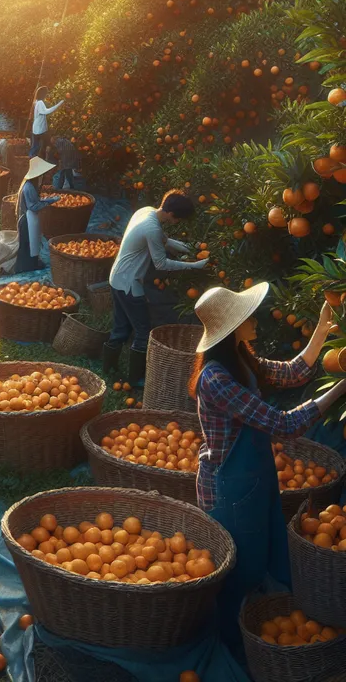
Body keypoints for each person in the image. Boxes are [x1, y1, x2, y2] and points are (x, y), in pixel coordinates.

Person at [190, 285, 345, 650]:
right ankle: (230, 642)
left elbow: (290, 373)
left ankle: (261, 628)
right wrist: (339, 389)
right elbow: (284, 425)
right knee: (238, 571)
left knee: (266, 555)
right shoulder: (216, 379)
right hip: (229, 488)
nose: (255, 319)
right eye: (248, 315)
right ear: (232, 328)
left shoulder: (240, 358)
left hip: (256, 480)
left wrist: (323, 329)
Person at [104, 190, 207, 384]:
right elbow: (162, 263)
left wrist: (189, 248)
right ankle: (136, 378)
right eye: (179, 220)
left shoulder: (147, 212)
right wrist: (193, 266)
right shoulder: (151, 228)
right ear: (171, 215)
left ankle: (109, 368)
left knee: (121, 326)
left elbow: (164, 241)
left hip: (117, 278)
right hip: (129, 284)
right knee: (143, 331)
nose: (178, 223)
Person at [14, 156, 59, 273]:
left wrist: (48, 200)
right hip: (27, 220)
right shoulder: (29, 187)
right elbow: (34, 206)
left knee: (31, 243)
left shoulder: (30, 185)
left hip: (29, 218)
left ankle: (32, 263)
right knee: (27, 244)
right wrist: (51, 201)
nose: (43, 177)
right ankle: (27, 266)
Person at [30, 86, 64, 158]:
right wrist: (59, 104)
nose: (46, 95)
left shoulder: (37, 102)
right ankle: (36, 160)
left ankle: (33, 160)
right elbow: (46, 111)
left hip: (37, 128)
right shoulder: (40, 103)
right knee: (44, 145)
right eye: (46, 93)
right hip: (39, 129)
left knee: (36, 146)